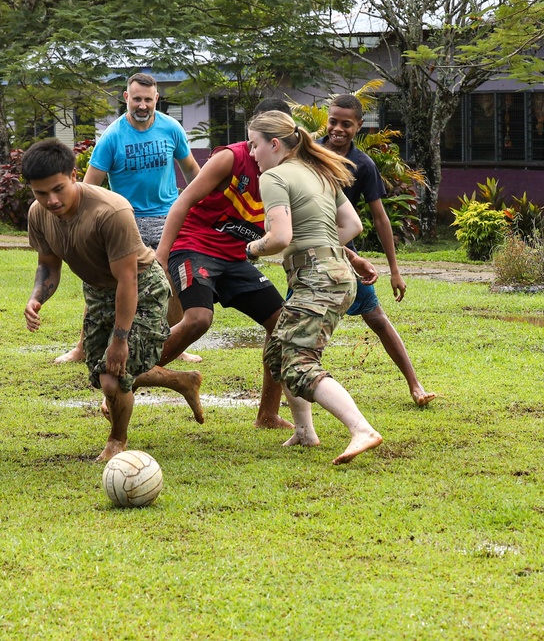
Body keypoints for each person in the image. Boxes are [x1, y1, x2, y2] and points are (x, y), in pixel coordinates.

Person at [155, 99, 378, 430]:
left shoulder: (288, 172)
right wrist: (161, 256)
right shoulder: (231, 158)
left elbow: (311, 230)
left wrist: (353, 255)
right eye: (251, 142)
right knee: (199, 319)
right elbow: (183, 201)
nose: (253, 149)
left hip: (237, 256)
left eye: (257, 142)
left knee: (280, 323)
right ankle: (132, 374)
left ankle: (268, 414)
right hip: (196, 247)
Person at [22, 138, 203, 462]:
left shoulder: (110, 211)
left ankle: (117, 441)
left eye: (58, 189)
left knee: (113, 374)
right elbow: (48, 265)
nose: (50, 200)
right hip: (98, 292)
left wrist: (120, 338)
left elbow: (128, 279)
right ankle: (182, 381)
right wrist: (37, 298)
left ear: (74, 175)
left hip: (142, 287)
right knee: (103, 372)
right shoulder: (38, 214)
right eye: (40, 193)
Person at [245, 110, 383, 464]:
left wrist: (253, 248)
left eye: (255, 144)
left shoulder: (274, 177)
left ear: (274, 144)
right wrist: (323, 250)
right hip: (333, 275)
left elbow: (279, 237)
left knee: (300, 362)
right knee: (278, 354)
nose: (251, 151)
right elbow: (352, 224)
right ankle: (305, 432)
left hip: (318, 280)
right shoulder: (318, 170)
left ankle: (361, 429)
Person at [55, 73, 202, 364]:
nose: (143, 105)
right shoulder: (112, 137)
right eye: (137, 99)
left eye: (149, 99)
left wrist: (202, 208)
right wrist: (87, 224)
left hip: (166, 217)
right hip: (125, 220)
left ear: (157, 99)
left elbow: (193, 173)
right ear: (126, 98)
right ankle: (82, 347)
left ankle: (175, 345)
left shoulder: (172, 129)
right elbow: (90, 187)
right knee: (104, 282)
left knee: (171, 281)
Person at [322, 94, 435, 406]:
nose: (338, 129)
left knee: (376, 317)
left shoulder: (363, 165)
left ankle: (415, 385)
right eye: (333, 121)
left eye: (346, 124)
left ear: (359, 126)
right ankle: (270, 407)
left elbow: (380, 218)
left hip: (346, 253)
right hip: (309, 249)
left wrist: (395, 271)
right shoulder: (310, 152)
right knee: (284, 321)